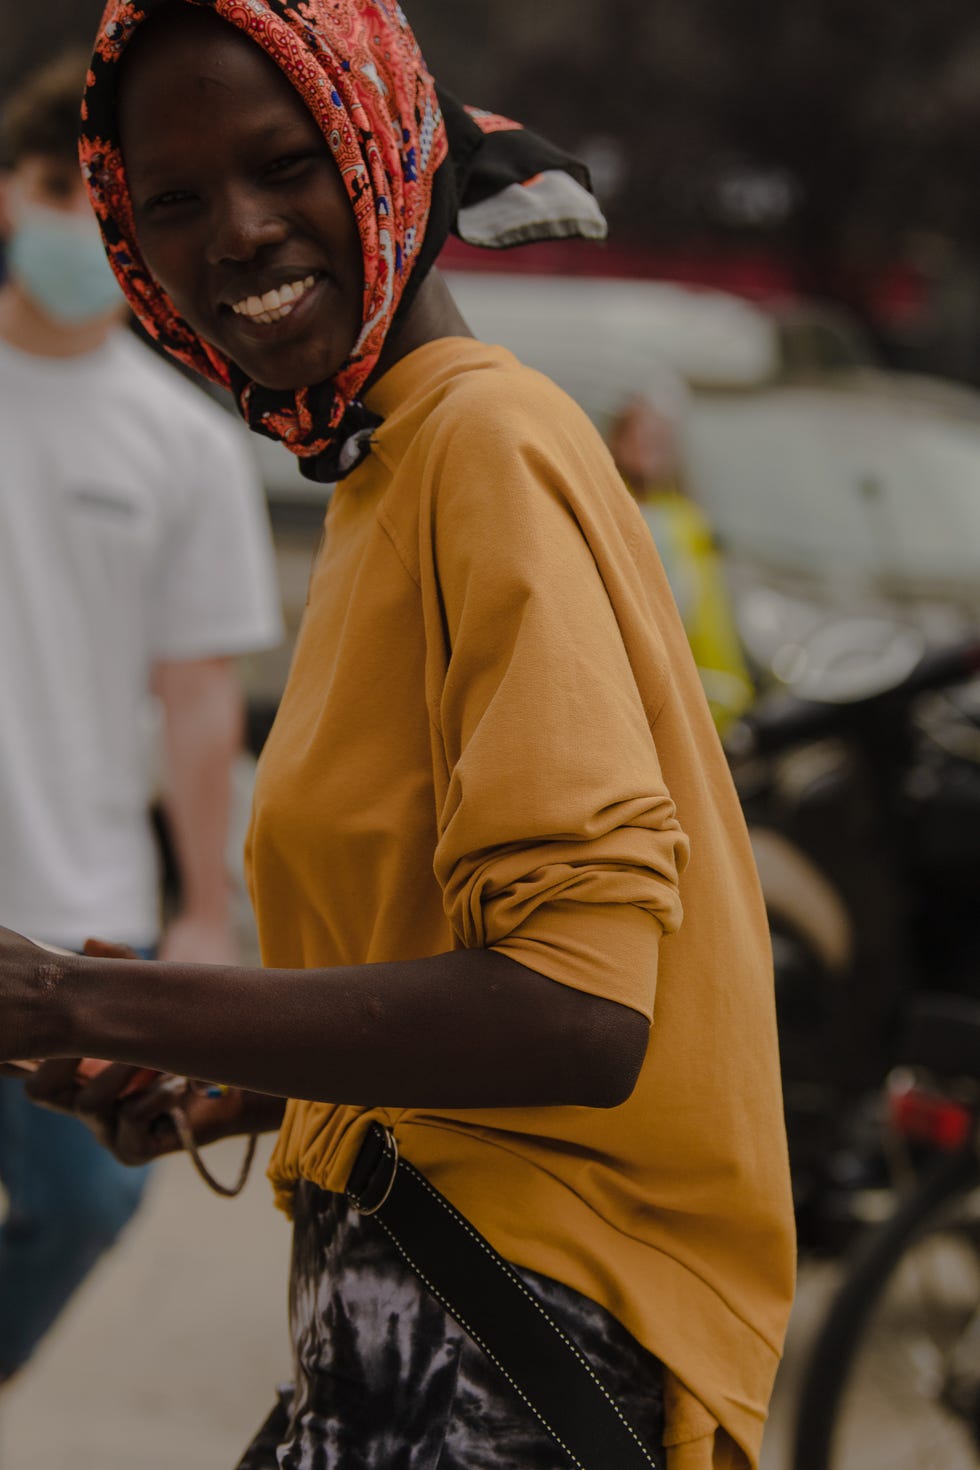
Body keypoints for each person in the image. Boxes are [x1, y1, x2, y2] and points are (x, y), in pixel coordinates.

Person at [0, 4, 795, 1467]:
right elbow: (458, 971)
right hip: (423, 1301)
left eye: (282, 163)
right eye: (172, 199)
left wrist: (82, 1004)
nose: (233, 233)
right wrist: (228, 1081)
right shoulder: (384, 466)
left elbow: (580, 1013)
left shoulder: (482, 445)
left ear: (383, 152)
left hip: (515, 1326)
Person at [0, 48, 283, 1387]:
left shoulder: (185, 446)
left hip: (72, 917)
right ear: (8, 190)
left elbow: (196, 698)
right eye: (49, 180)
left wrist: (206, 918)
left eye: (92, 188)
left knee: (89, 1204)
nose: (68, 214)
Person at [607, 391, 756, 738]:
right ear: (616, 439)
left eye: (657, 438)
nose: (647, 446)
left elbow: (709, 611)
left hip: (701, 688)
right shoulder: (609, 510)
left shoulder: (688, 520)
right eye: (637, 434)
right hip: (638, 688)